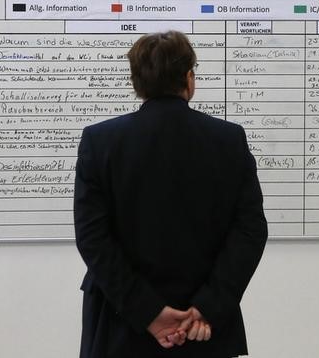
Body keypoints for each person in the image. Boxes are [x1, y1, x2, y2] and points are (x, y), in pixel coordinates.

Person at [74, 30, 268, 358]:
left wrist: (148, 312)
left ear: (136, 82)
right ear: (189, 78)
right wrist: (207, 306)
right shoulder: (229, 140)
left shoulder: (100, 141)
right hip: (204, 330)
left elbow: (93, 238)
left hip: (123, 325)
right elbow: (250, 231)